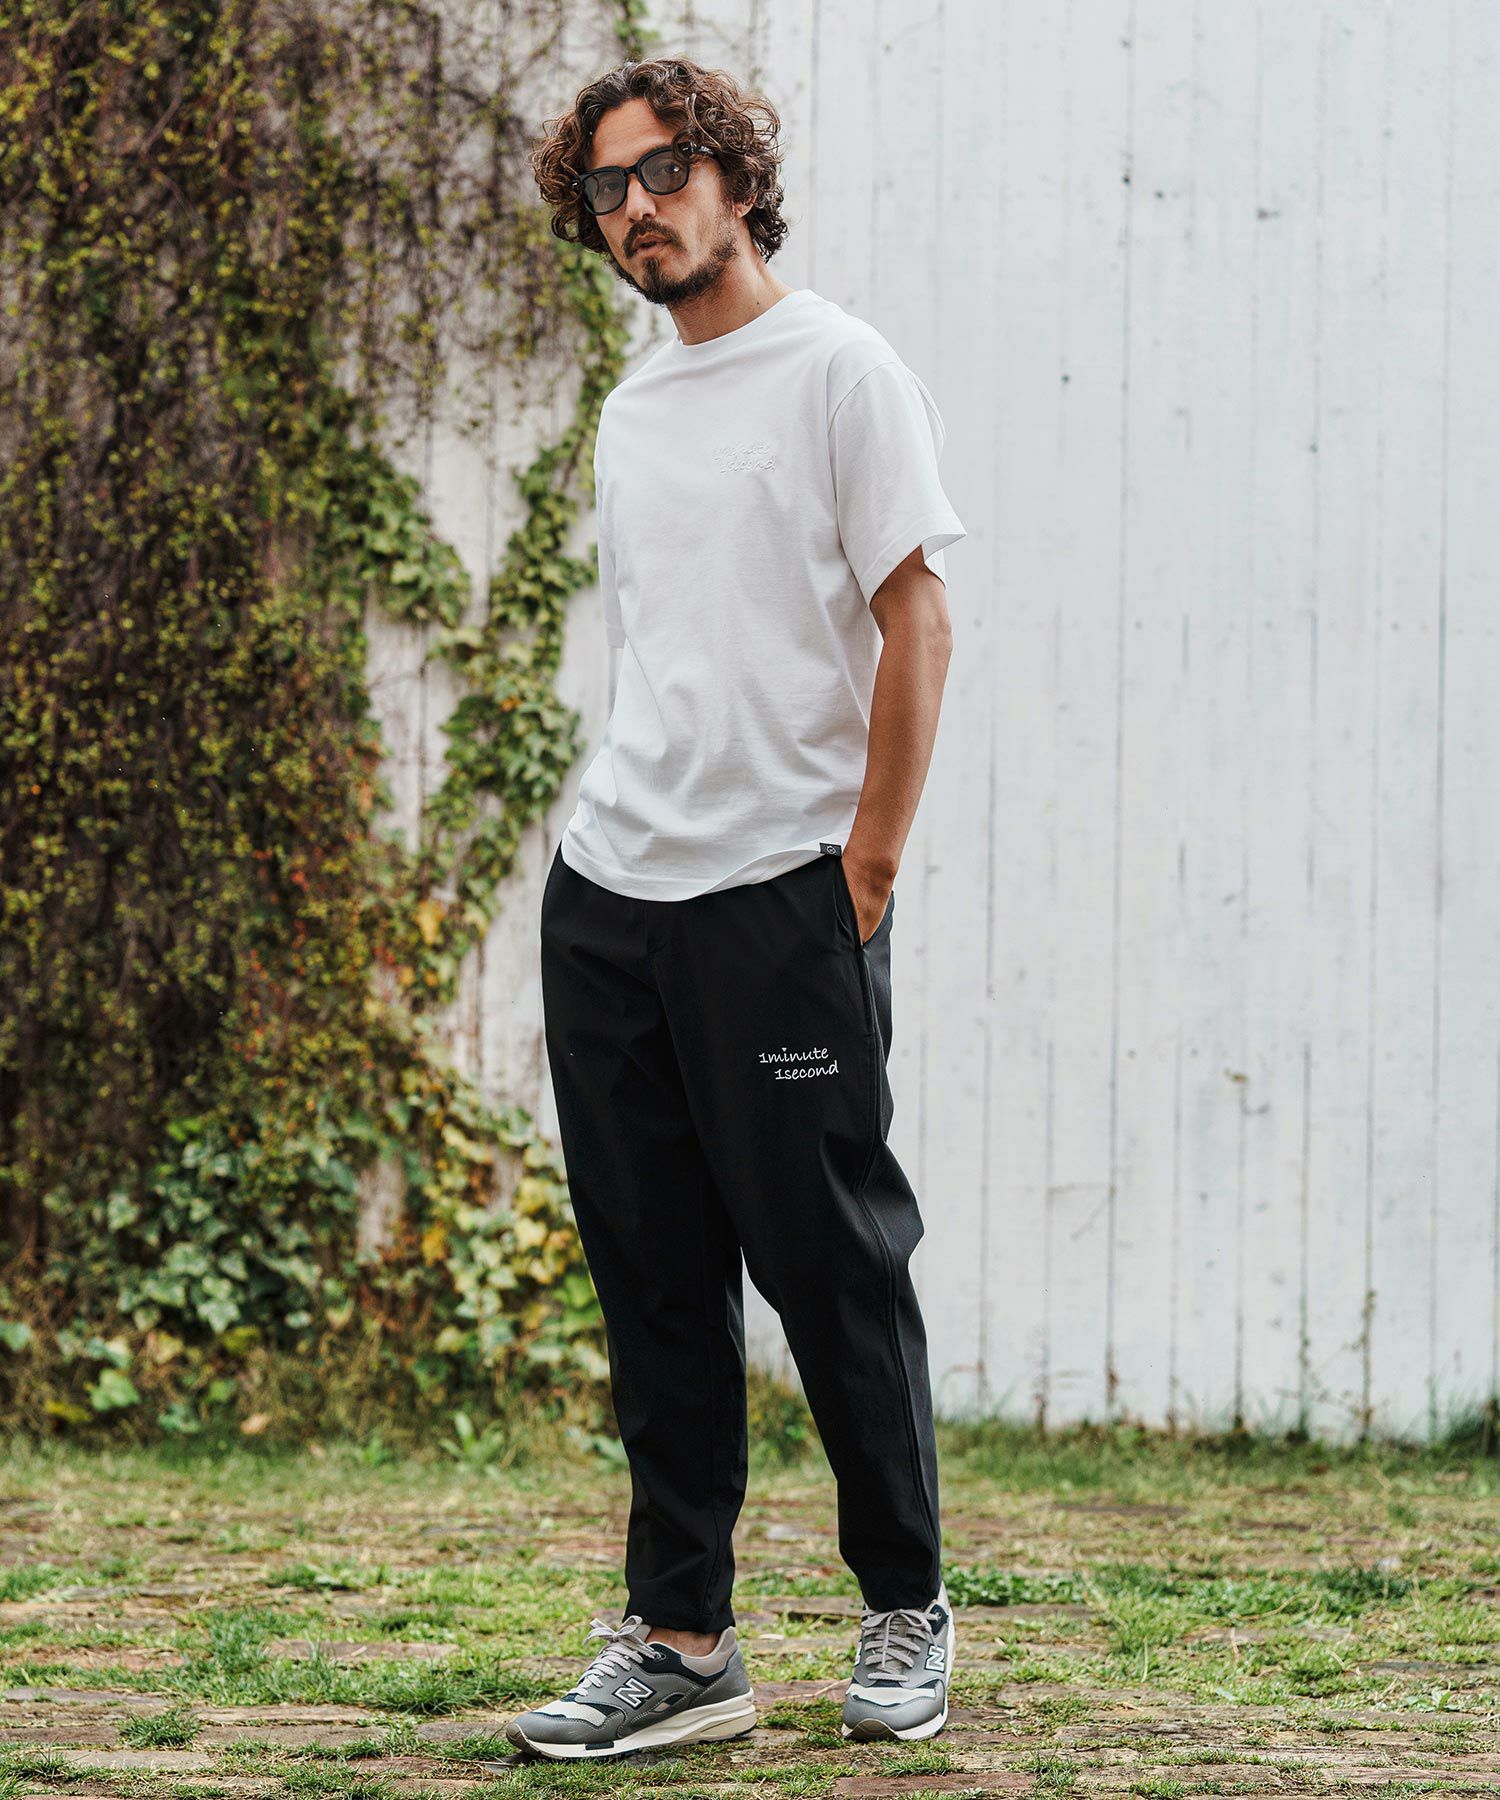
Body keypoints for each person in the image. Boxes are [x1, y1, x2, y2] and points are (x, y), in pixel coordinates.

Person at [513, 55, 966, 1762]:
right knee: (653, 1279)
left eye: (664, 171)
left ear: (734, 178)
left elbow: (918, 617)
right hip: (613, 894)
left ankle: (905, 1601)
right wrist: (602, 870)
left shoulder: (843, 371)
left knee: (833, 1267)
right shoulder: (634, 413)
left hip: (781, 895)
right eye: (606, 189)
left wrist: (867, 866)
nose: (636, 208)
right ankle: (684, 1642)